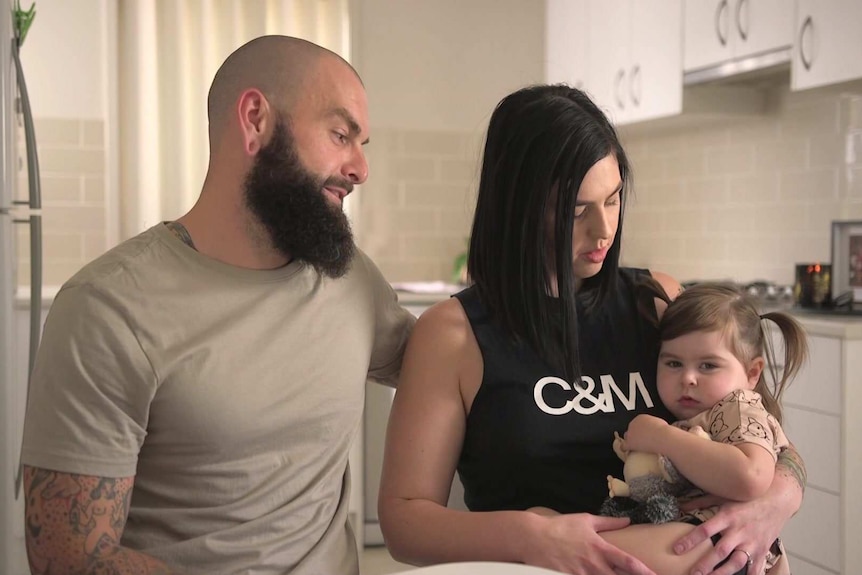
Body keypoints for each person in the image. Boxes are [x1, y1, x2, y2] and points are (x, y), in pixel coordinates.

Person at [20, 36, 415, 575]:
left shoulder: (350, 281)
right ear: (254, 120)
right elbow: (70, 558)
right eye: (341, 135)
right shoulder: (107, 310)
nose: (360, 168)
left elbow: (453, 368)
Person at [378, 84, 807, 575]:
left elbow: (763, 433)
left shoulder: (657, 300)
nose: (603, 230)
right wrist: (531, 536)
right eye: (575, 210)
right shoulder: (453, 335)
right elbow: (404, 523)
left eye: (614, 199)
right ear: (516, 205)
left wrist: (777, 501)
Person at [598, 281, 808, 574]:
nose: (688, 378)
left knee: (588, 546)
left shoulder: (737, 406)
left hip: (720, 540)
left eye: (708, 366)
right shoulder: (704, 412)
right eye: (673, 363)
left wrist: (662, 437)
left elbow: (752, 476)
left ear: (752, 373)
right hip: (696, 533)